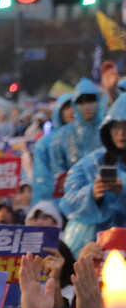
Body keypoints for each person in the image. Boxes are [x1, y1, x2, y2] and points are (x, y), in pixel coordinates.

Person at [57, 93, 126, 254]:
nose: (121, 134)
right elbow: (68, 202)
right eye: (116, 127)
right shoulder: (91, 162)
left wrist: (122, 190)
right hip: (91, 247)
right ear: (108, 129)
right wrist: (92, 194)